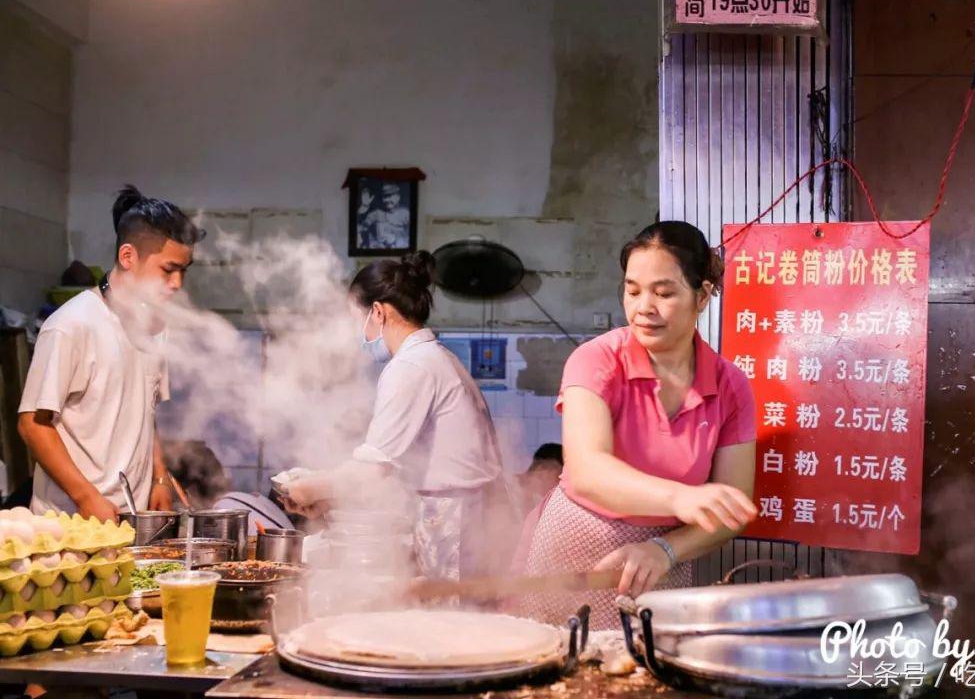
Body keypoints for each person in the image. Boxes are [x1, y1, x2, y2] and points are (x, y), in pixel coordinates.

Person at [515, 221, 758, 628]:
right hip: (572, 550)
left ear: (701, 296)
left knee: (641, 661)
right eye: (632, 291)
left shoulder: (730, 386)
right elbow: (588, 471)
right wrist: (680, 499)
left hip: (659, 563)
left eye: (663, 293)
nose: (644, 307)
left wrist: (665, 548)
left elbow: (733, 506)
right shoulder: (596, 360)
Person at [284, 251, 512, 581]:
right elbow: (399, 465)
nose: (359, 333)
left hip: (459, 521)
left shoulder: (411, 366)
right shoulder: (434, 357)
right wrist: (327, 496)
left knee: (455, 610)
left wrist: (308, 489)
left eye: (357, 320)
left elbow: (371, 469)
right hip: (468, 514)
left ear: (378, 311)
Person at [17, 186, 204, 520]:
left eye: (184, 271)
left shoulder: (156, 328)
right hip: (70, 523)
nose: (177, 283)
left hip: (131, 518)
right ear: (128, 256)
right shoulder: (71, 325)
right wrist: (86, 497)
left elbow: (145, 413)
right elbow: (32, 425)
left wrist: (160, 476)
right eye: (168, 269)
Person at [518, 443, 563, 514]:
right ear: (542, 469)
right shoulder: (509, 488)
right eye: (559, 475)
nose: (560, 483)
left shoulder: (538, 502)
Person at [363, 184, 411, 249]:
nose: (387, 200)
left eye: (390, 196)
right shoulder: (377, 213)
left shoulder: (405, 214)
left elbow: (412, 236)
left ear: (398, 197)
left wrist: (397, 238)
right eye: (384, 197)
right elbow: (363, 227)